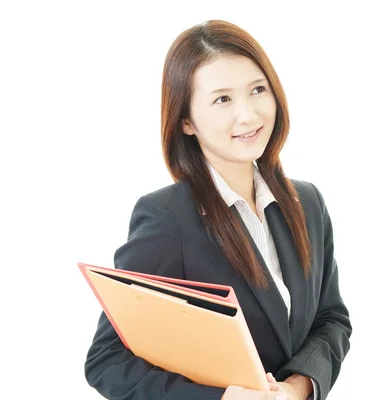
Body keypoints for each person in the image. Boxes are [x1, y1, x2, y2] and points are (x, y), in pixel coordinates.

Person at [84, 19, 352, 400]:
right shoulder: (167, 218)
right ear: (187, 121)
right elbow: (107, 360)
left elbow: (331, 320)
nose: (248, 115)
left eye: (257, 90)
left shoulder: (306, 202)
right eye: (222, 99)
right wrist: (221, 398)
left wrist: (299, 386)